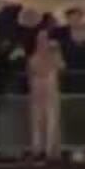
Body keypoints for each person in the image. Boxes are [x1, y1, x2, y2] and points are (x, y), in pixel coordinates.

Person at [26, 29, 65, 161]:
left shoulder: (54, 55)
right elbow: (33, 70)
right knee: (38, 121)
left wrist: (55, 52)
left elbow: (61, 66)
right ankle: (38, 149)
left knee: (52, 120)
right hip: (38, 93)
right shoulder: (33, 57)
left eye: (45, 39)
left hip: (51, 92)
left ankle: (50, 151)